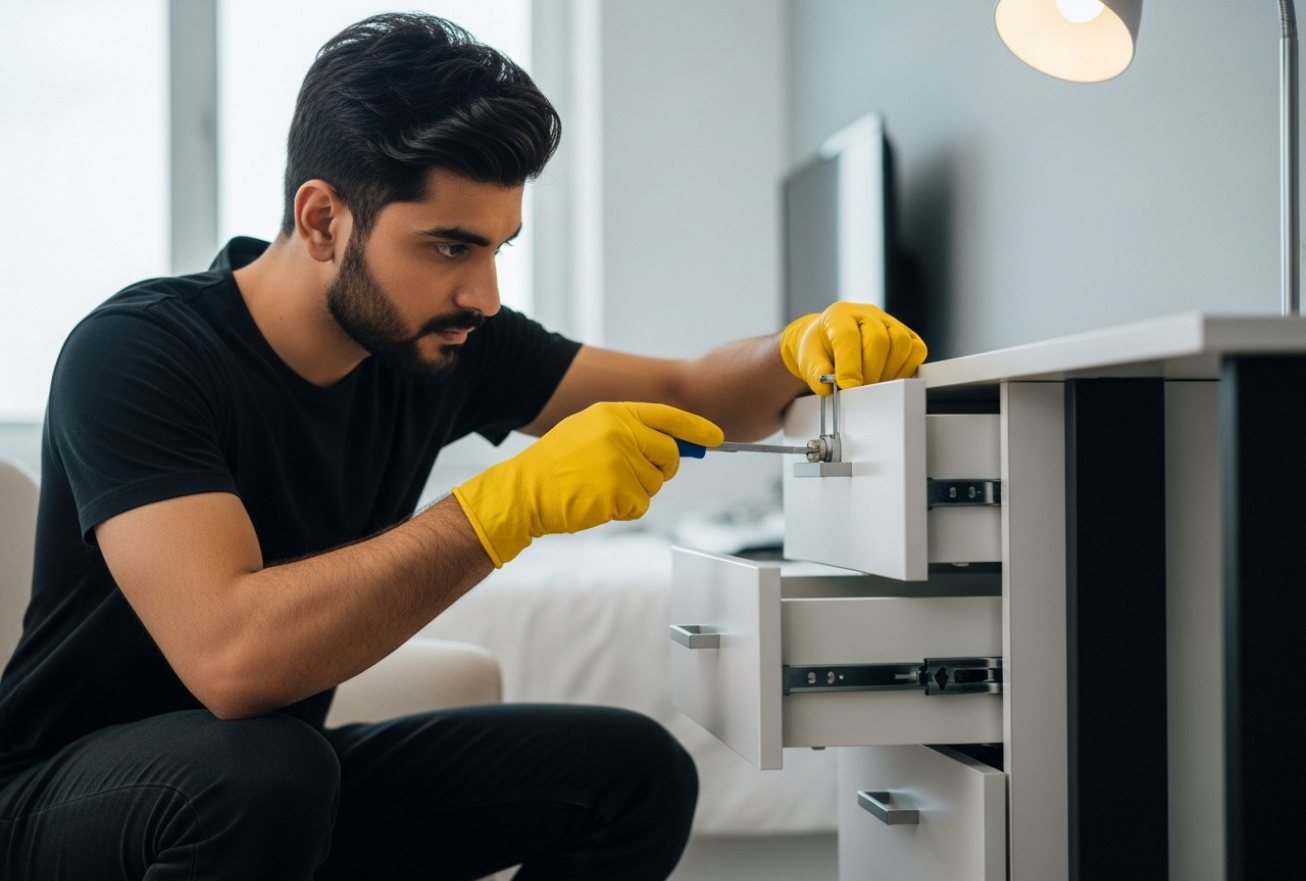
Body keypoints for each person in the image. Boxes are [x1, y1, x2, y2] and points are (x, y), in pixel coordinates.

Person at [0, 12, 926, 881]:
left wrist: (797, 351)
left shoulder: (440, 344)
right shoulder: (139, 352)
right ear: (322, 220)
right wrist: (505, 506)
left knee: (634, 771)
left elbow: (691, 394)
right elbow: (234, 661)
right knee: (264, 769)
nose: (482, 294)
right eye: (449, 247)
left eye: (497, 248)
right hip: (60, 803)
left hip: (274, 789)